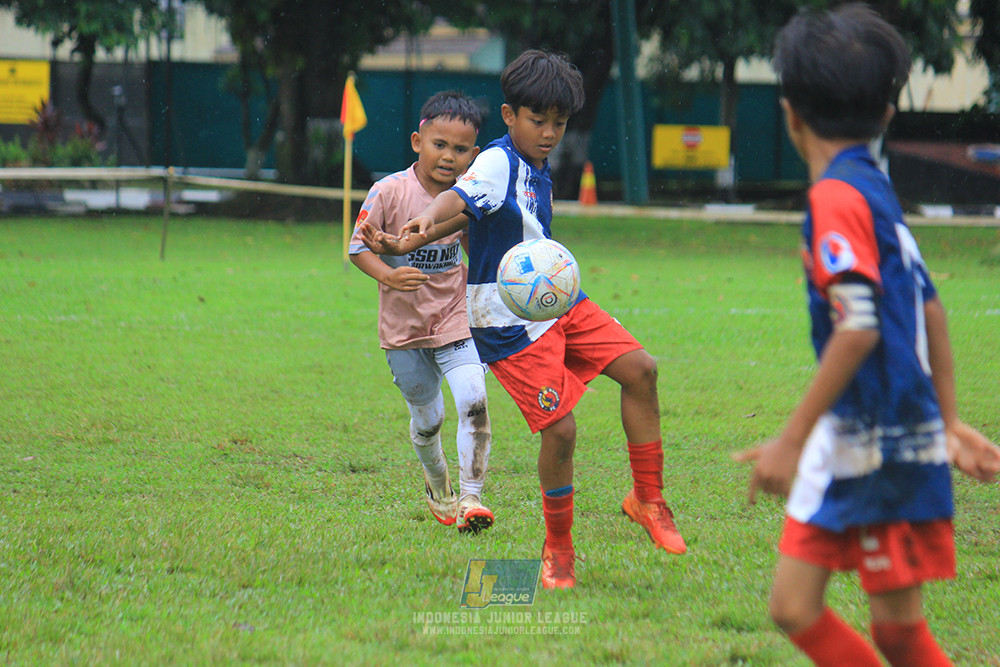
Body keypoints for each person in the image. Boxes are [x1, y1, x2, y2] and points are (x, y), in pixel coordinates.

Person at [361, 50, 687, 589]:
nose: (551, 132)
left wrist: (419, 233)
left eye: (560, 122)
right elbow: (458, 202)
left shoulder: (537, 165)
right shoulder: (496, 159)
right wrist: (420, 223)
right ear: (510, 116)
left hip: (553, 298)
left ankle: (648, 499)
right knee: (561, 429)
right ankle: (558, 549)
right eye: (539, 120)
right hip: (507, 317)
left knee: (641, 370)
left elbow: (474, 216)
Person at [734, 5, 1000, 666]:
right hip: (873, 433)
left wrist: (789, 439)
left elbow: (857, 324)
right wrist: (948, 419)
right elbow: (930, 306)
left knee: (882, 628)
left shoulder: (835, 199)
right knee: (816, 612)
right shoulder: (875, 187)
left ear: (790, 114)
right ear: (887, 116)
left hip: (875, 441)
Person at [348, 91, 495, 534]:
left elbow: (476, 251)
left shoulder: (467, 198)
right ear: (417, 141)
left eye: (461, 149)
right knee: (428, 422)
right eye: (440, 145)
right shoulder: (388, 191)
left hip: (454, 317)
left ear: (475, 155)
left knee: (474, 403)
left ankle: (471, 498)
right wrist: (389, 277)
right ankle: (439, 485)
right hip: (404, 330)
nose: (449, 157)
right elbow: (357, 249)